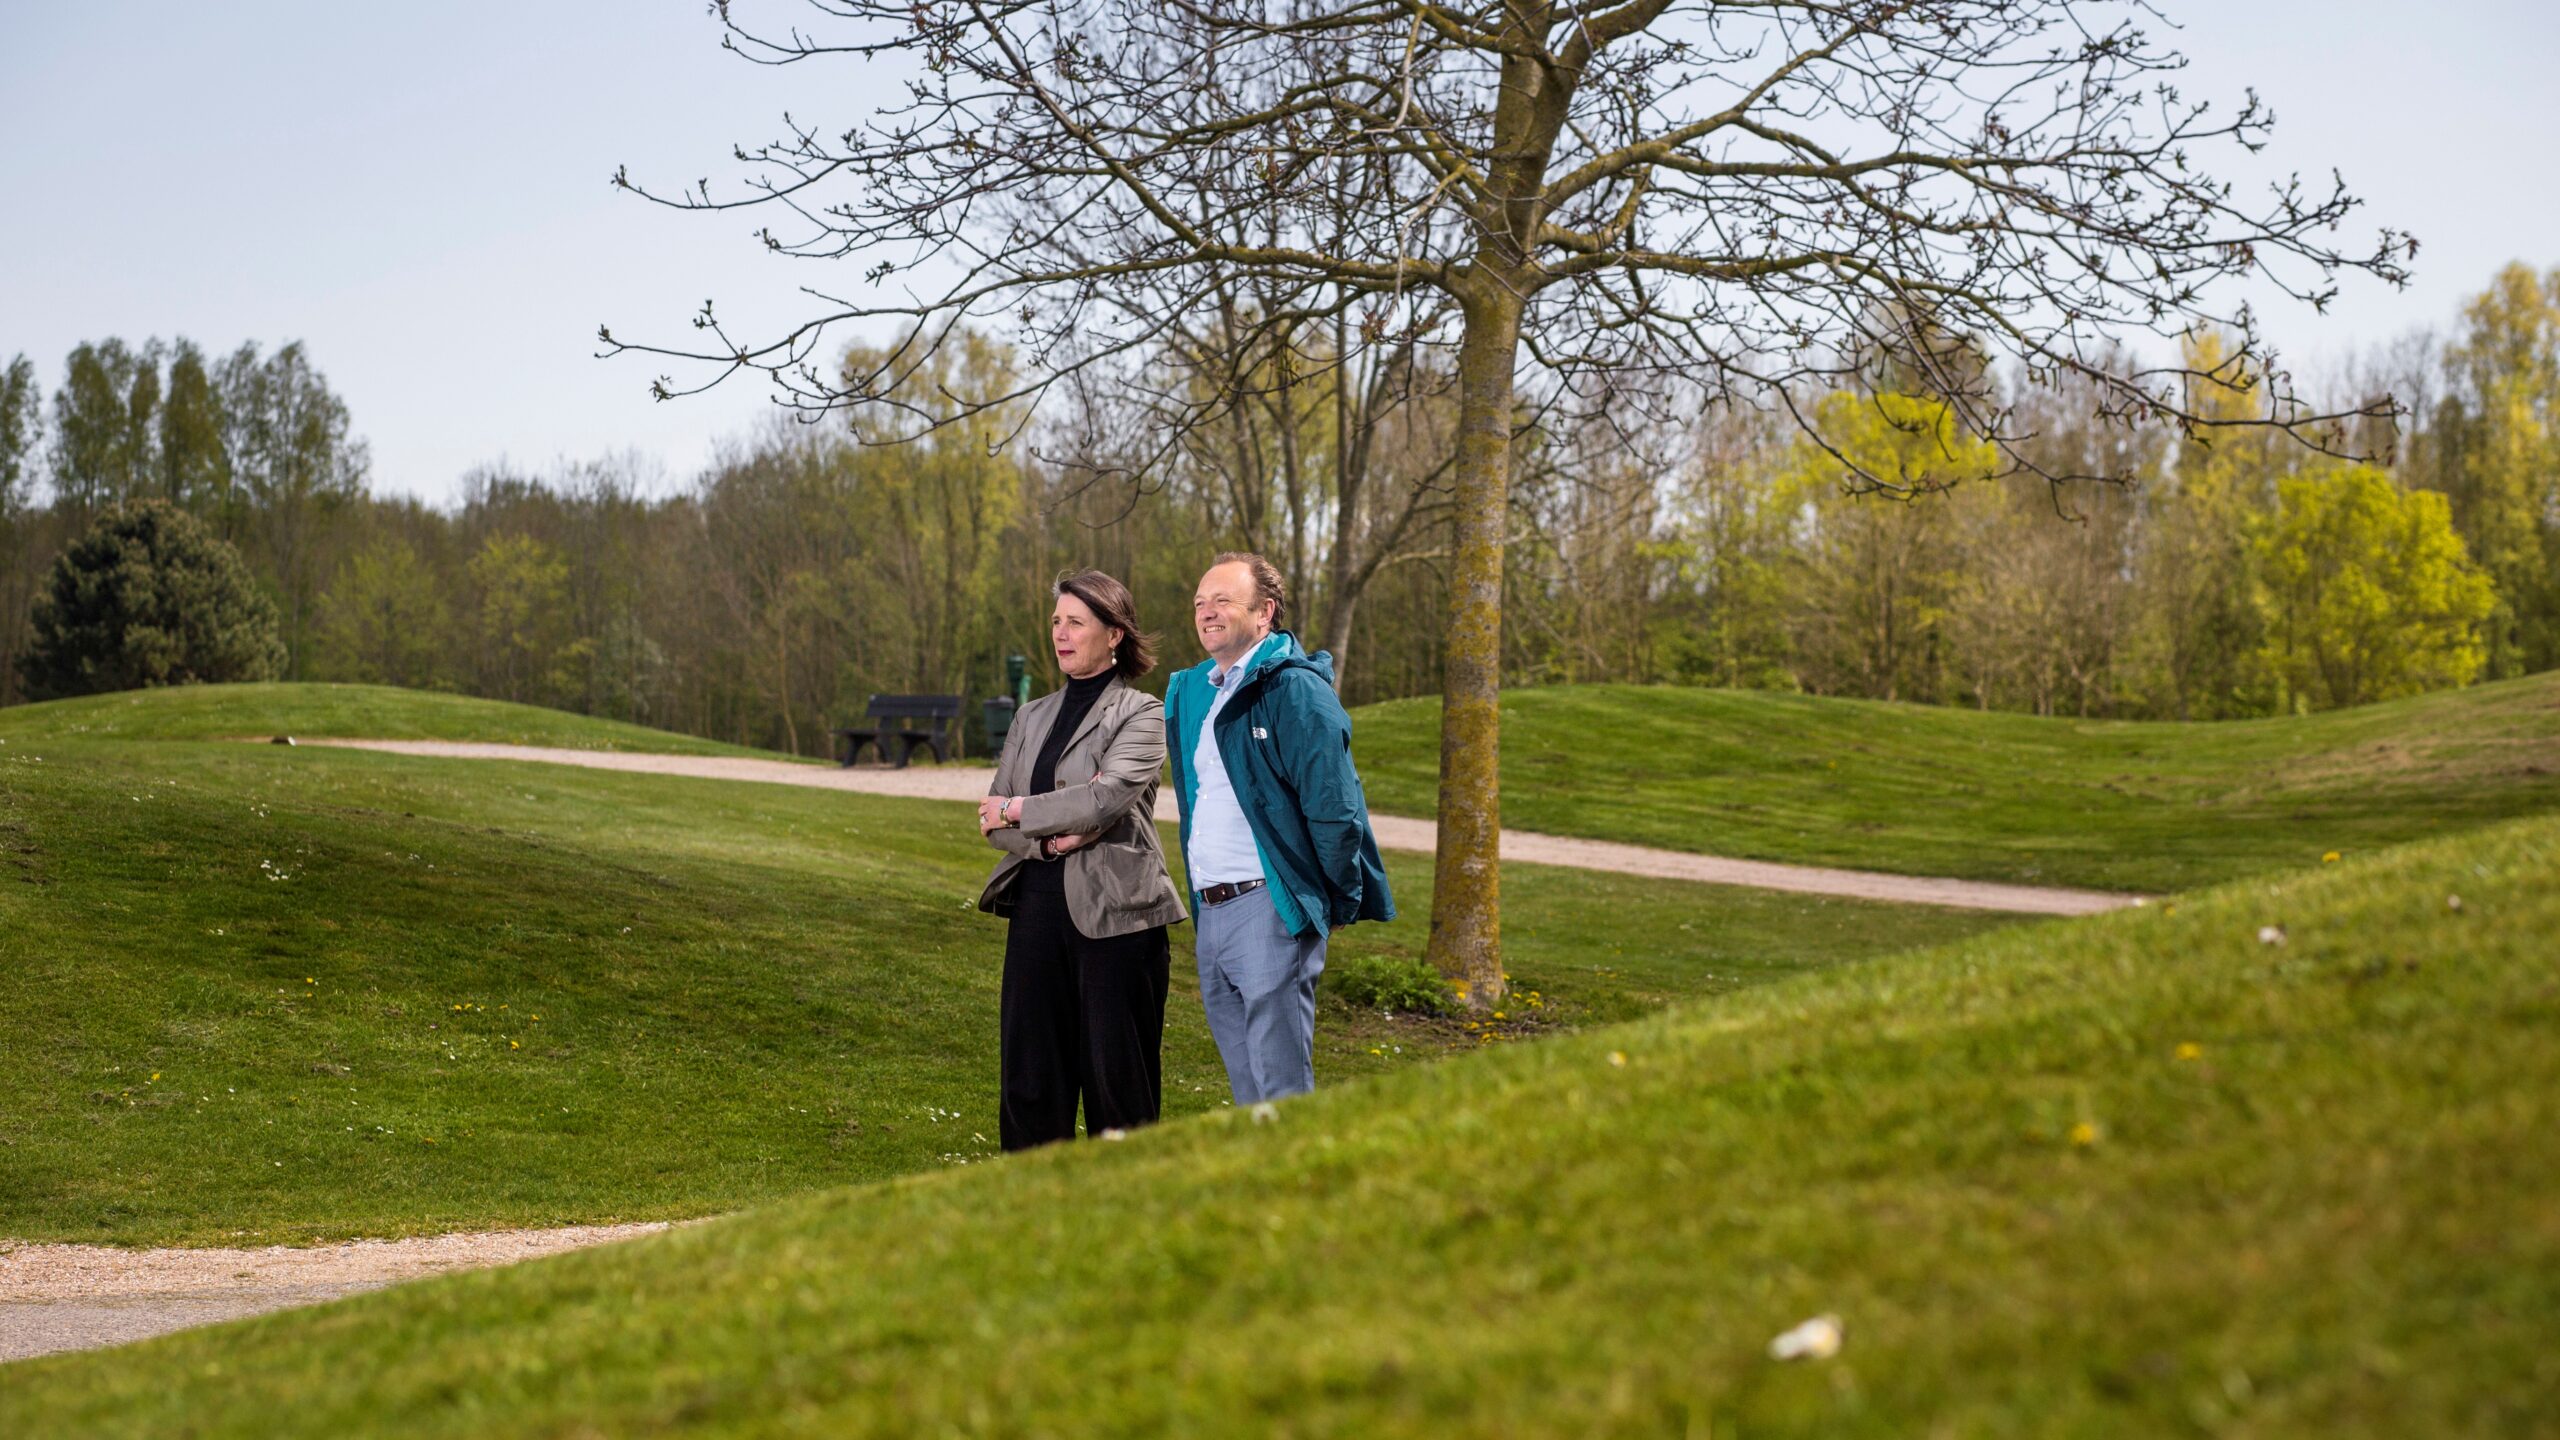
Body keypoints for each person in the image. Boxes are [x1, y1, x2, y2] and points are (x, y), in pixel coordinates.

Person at [1166, 551, 1394, 1106]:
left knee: (1281, 1091)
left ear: (1265, 612)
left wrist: (1332, 900)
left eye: (1223, 600)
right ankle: (1263, 1189)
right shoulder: (1204, 691)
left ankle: (1304, 1189)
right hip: (1212, 912)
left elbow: (1335, 807)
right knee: (1248, 1090)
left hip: (1269, 909)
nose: (1207, 612)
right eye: (1200, 603)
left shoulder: (1294, 691)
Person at [977, 570, 1188, 1151]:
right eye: (1056, 622)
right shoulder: (1030, 717)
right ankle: (1033, 1219)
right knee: (1029, 1085)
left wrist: (1022, 807)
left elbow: (1104, 798)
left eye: (1076, 622)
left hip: (1118, 921)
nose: (1061, 634)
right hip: (1036, 916)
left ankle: (1122, 1217)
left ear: (1115, 633)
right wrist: (1043, 836)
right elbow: (993, 822)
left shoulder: (1141, 713)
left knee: (1118, 1087)